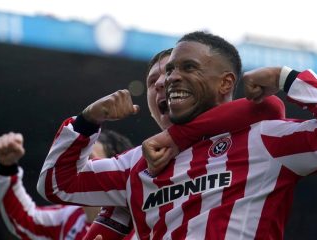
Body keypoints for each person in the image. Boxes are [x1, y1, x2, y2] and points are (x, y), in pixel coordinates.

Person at [36, 28, 317, 239]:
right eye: (168, 70)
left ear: (226, 83)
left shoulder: (263, 141)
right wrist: (86, 121)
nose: (170, 78)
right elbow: (55, 185)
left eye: (187, 68)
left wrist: (285, 77)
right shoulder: (138, 163)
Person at [84, 48, 286, 239]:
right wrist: (88, 119)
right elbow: (58, 183)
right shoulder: (136, 169)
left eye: (179, 71)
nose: (163, 83)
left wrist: (177, 137)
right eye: (153, 80)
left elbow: (271, 106)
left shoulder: (248, 142)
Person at [0, 130, 134, 239]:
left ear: (113, 171)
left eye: (87, 159)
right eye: (76, 161)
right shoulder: (68, 217)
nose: (76, 167)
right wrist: (7, 168)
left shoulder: (143, 224)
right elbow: (23, 219)